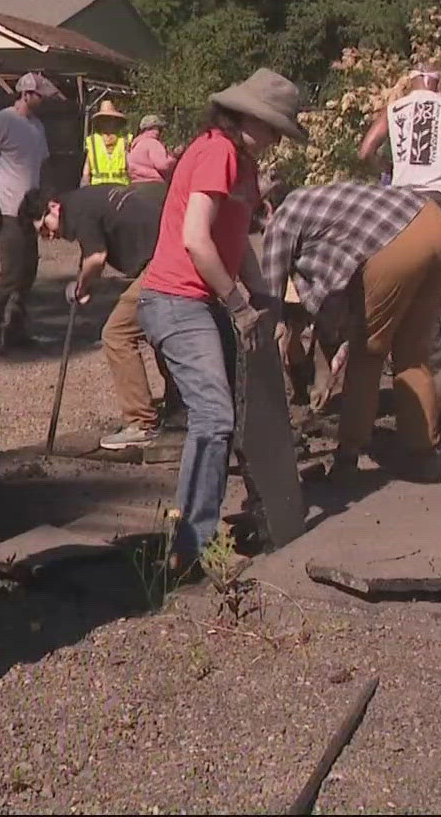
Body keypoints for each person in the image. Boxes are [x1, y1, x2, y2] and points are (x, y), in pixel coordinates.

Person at [137, 68, 300, 568]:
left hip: (203, 300)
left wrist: (266, 297)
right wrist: (238, 304)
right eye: (274, 128)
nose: (276, 140)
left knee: (242, 412)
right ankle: (192, 547)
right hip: (176, 299)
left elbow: (236, 243)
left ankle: (253, 512)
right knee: (214, 417)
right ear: (250, 118)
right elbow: (195, 238)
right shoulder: (216, 151)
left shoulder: (243, 163)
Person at [262, 181, 441, 483]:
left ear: (267, 208)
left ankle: (348, 457)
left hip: (398, 244)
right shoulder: (324, 198)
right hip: (439, 228)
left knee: (368, 353)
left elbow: (269, 297)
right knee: (411, 354)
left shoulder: (283, 218)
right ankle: (425, 457)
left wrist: (267, 335)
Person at [30, 181, 180, 449]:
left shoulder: (75, 212)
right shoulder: (84, 199)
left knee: (116, 334)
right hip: (174, 250)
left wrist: (80, 287)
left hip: (162, 263)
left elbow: (97, 257)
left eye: (44, 228)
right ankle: (181, 409)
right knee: (158, 328)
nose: (48, 236)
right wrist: (86, 283)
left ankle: (141, 423)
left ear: (53, 207)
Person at [0, 71, 63, 350]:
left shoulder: (36, 126)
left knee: (28, 271)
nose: (43, 101)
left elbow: (43, 163)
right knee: (10, 272)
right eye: (40, 96)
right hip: (9, 210)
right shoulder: (4, 120)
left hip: (30, 212)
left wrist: (49, 193)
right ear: (26, 94)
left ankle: (16, 329)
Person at [358, 63, 441, 231]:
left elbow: (365, 152)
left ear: (411, 80)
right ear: (437, 82)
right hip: (438, 197)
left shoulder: (393, 109)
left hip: (400, 199)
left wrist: (386, 167)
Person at [82, 99, 131, 186]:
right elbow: (86, 171)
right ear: (99, 122)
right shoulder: (92, 141)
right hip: (97, 189)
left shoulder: (125, 141)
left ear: (116, 121)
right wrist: (85, 186)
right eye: (104, 119)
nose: (107, 122)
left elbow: (131, 168)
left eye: (110, 119)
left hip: (121, 188)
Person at [127, 113, 177, 183]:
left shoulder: (135, 145)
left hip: (135, 183)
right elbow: (163, 165)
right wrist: (174, 158)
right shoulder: (152, 143)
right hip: (154, 183)